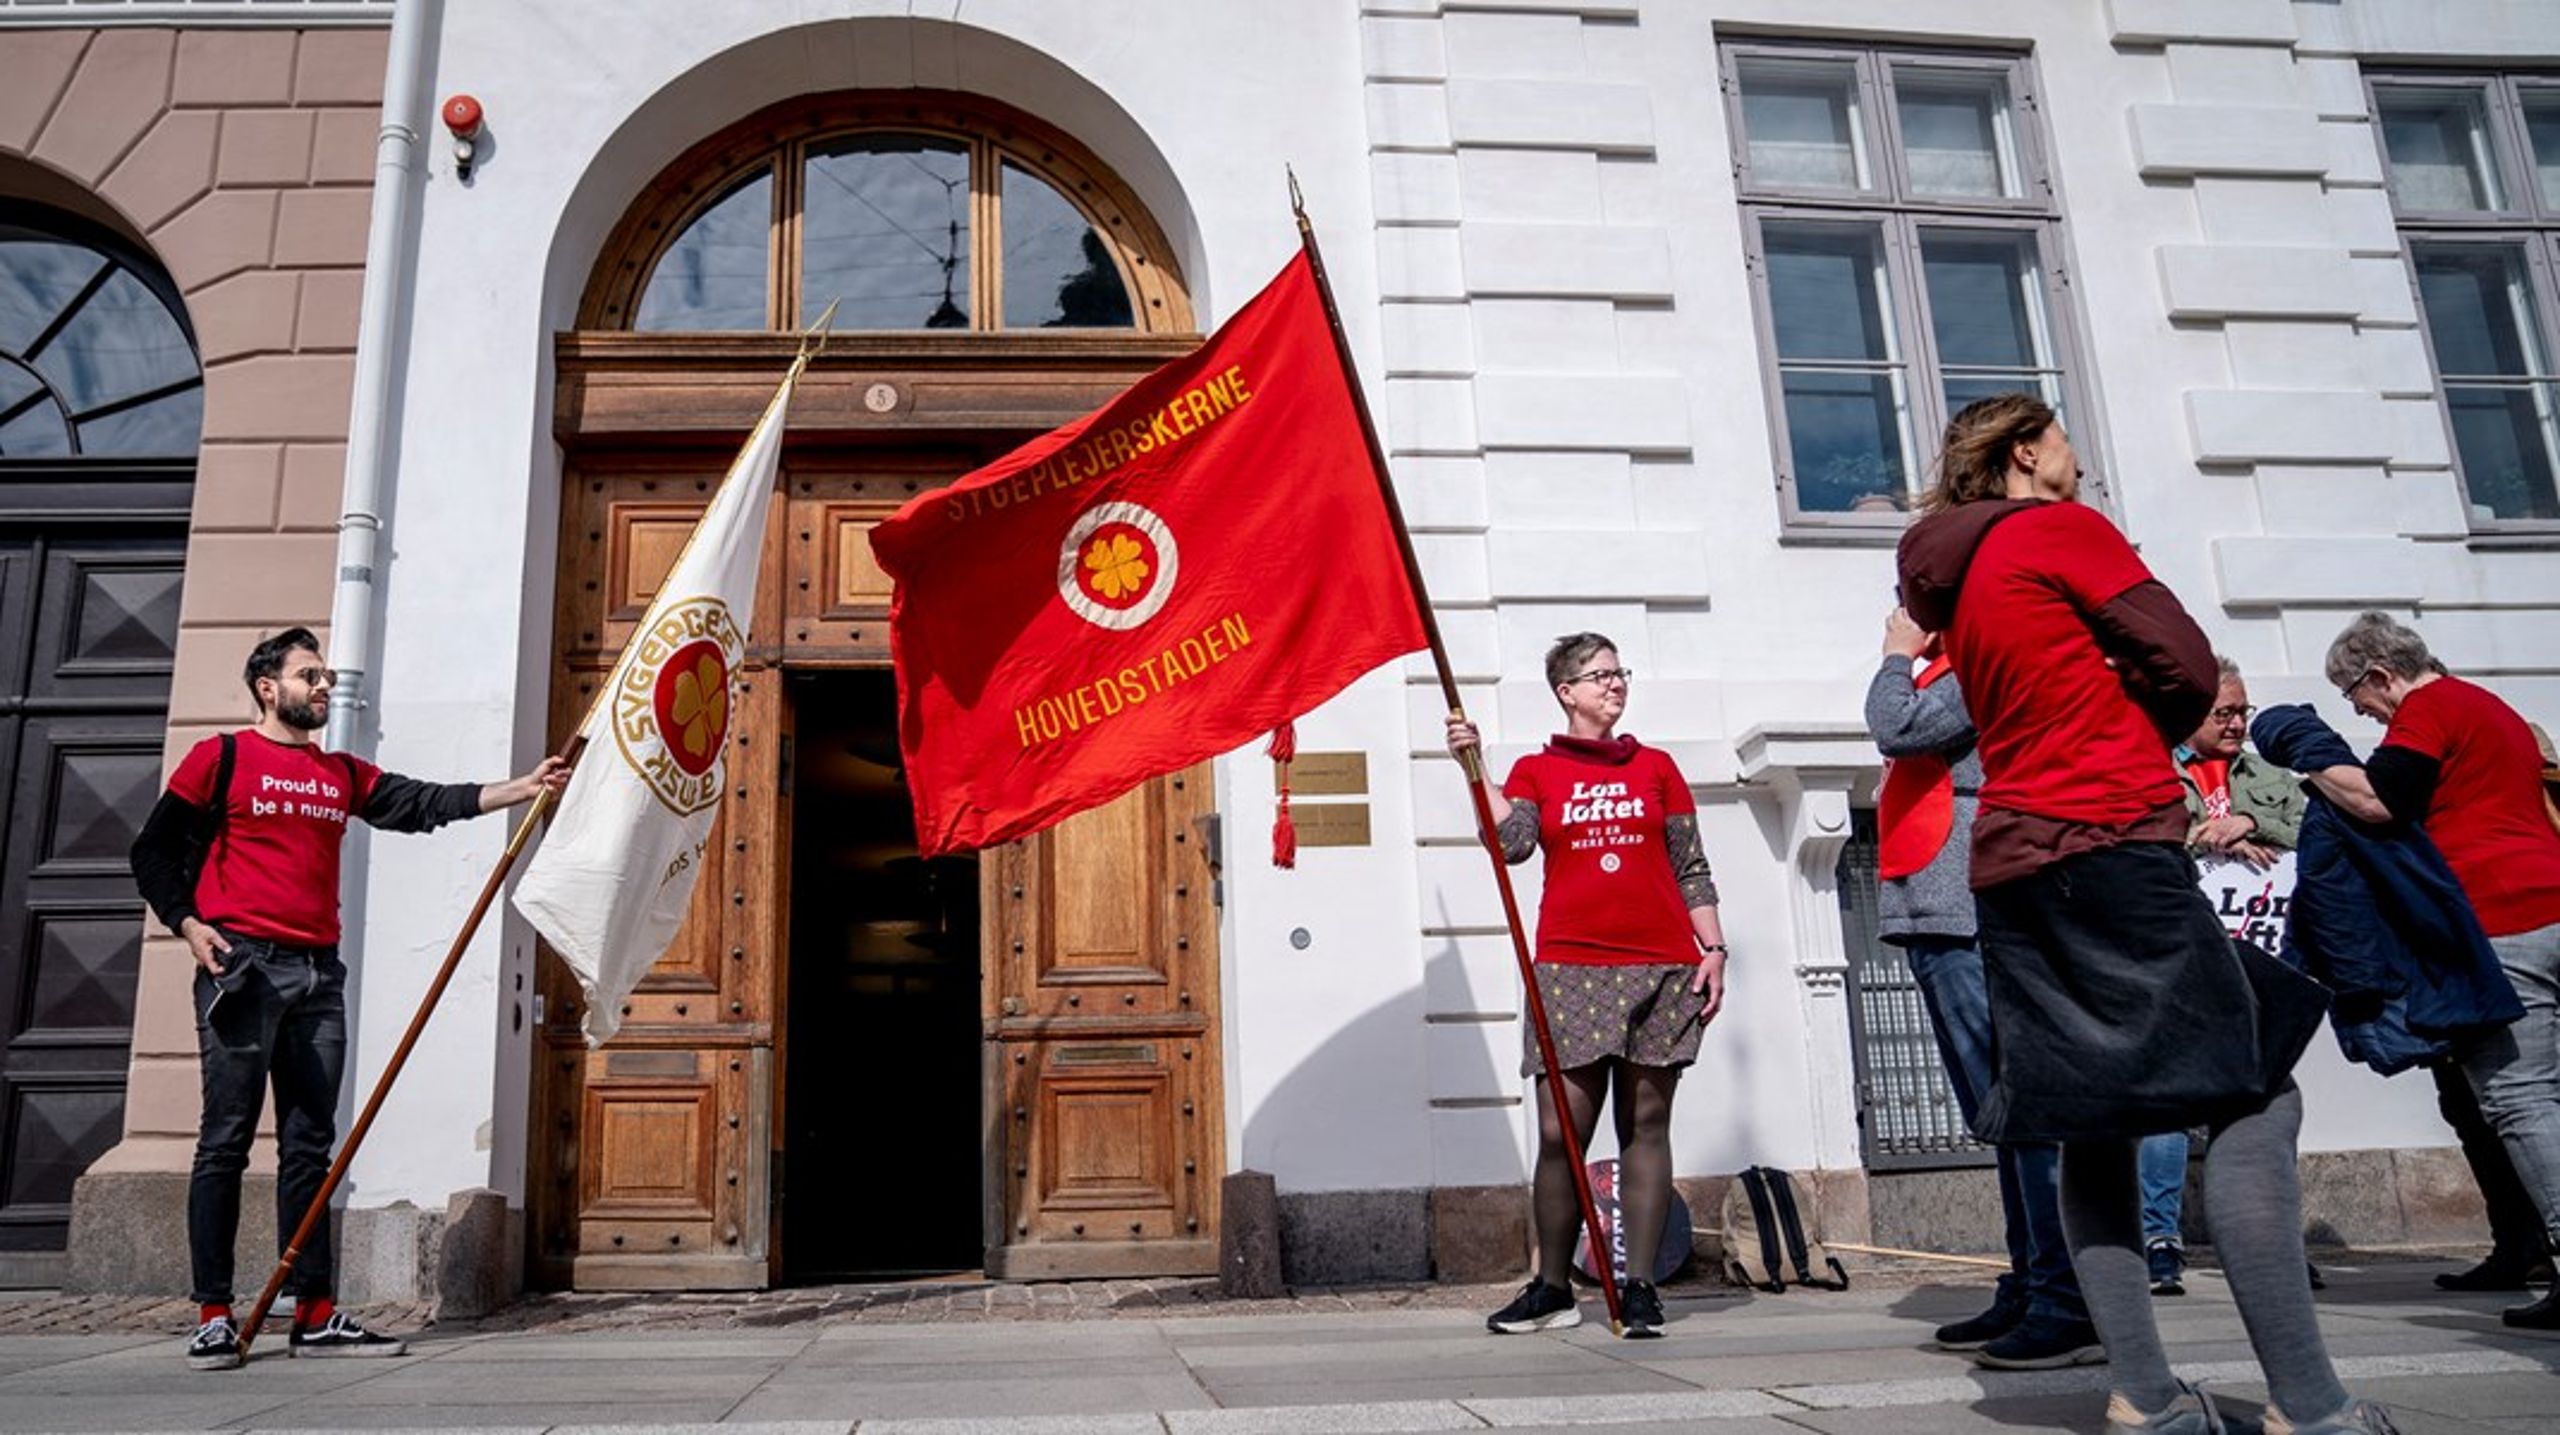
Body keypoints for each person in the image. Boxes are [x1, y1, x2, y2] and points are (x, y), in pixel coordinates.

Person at [1897, 394, 2394, 1435]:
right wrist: (2148, 717)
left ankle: (2147, 1396)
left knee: (2095, 1118)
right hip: (2111, 835)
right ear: (2029, 452)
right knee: (2257, 1090)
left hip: (2012, 862)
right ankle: (2309, 1405)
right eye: (2066, 433)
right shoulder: (2062, 530)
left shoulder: (1959, 575)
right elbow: (2186, 658)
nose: (2080, 451)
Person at [129, 629, 569, 1371]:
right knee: (225, 1141)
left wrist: (520, 788)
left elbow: (421, 802)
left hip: (316, 975)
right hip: (241, 967)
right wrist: (189, 924)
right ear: (268, 686)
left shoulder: (340, 773)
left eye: (327, 675)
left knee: (310, 1147)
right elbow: (153, 849)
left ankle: (315, 1310)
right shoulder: (223, 758)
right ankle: (212, 1312)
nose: (325, 685)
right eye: (310, 675)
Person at [1446, 632, 1726, 1340]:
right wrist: (1474, 767)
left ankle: (1638, 1288)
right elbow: (1509, 845)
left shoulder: (1658, 768)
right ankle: (1550, 1287)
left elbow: (1691, 864)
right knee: (1557, 1130)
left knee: (1647, 1126)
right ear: (1565, 691)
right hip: (1570, 969)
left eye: (1619, 672)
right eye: (1599, 675)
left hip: (1661, 967)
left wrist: (1714, 946)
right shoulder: (1538, 771)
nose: (1614, 684)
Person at [2305, 613, 2560, 1330]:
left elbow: (2378, 800)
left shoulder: (2429, 707)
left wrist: (2311, 756)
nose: (2357, 709)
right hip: (2553, 897)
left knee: (2522, 1101)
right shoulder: (2489, 705)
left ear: (2383, 674)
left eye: (2355, 693)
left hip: (2503, 921)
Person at [1866, 608, 2099, 1366]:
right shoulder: (1949, 674)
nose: (1900, 614)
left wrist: (1895, 656)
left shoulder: (1973, 667)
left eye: (1912, 602)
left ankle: (2066, 1299)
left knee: (2021, 1111)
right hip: (1936, 913)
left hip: (1966, 911)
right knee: (2001, 1116)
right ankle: (2035, 1282)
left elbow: (1892, 724)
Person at [2141, 658, 2308, 1297]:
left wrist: (2254, 822)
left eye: (2243, 711)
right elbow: (2145, 831)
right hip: (2183, 955)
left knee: (2264, 1102)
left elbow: (2307, 826)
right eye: (2224, 713)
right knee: (2172, 1103)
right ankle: (2161, 1239)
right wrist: (2206, 835)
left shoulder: (2268, 775)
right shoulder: (2155, 765)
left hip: (2261, 956)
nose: (2238, 723)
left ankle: (2275, 1243)